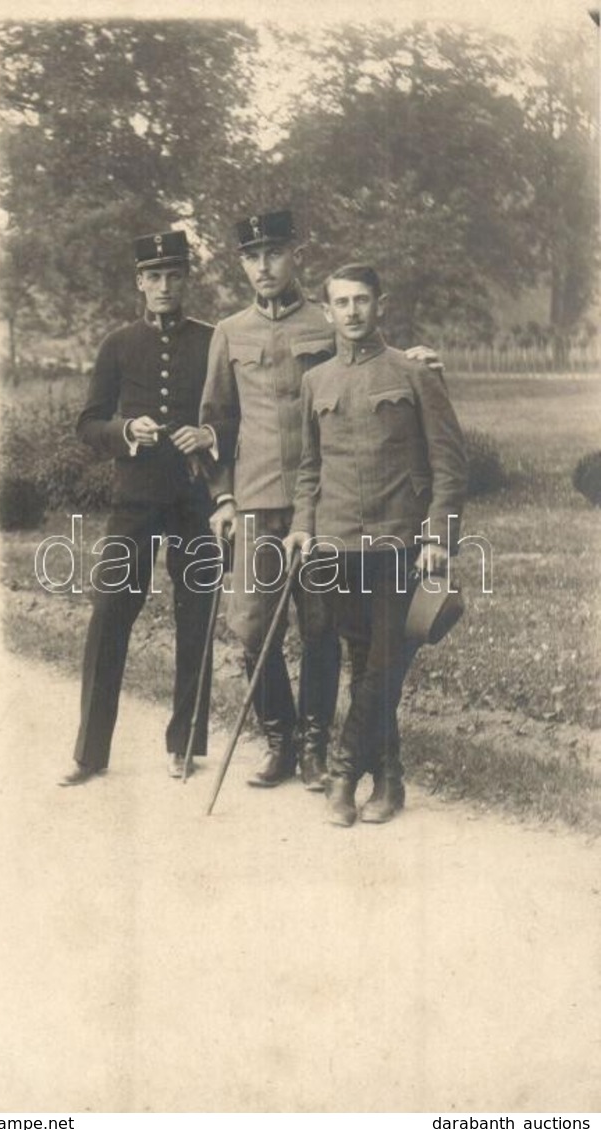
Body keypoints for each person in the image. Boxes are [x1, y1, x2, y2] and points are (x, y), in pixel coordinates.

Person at [201, 211, 442, 793]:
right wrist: (224, 497)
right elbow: (216, 421)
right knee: (253, 624)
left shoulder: (329, 317)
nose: (264, 266)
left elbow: (364, 374)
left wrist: (421, 363)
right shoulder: (228, 332)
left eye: (275, 253)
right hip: (259, 501)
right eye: (253, 256)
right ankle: (279, 738)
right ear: (241, 264)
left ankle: (314, 744)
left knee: (320, 627)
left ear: (293, 257)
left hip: (322, 507)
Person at [284, 263, 468, 826]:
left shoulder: (413, 374)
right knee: (366, 661)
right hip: (338, 543)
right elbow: (309, 470)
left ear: (379, 304)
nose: (352, 312)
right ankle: (389, 781)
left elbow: (449, 464)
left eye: (362, 300)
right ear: (329, 309)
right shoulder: (317, 381)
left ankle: (343, 776)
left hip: (399, 540)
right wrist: (301, 525)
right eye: (341, 303)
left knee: (384, 658)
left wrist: (438, 537)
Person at [60, 229, 224, 787]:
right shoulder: (117, 344)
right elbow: (87, 424)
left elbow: (233, 412)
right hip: (134, 503)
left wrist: (208, 433)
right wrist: (126, 429)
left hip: (195, 501)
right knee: (110, 617)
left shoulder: (212, 340)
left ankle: (186, 746)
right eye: (153, 276)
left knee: (196, 616)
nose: (163, 286)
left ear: (186, 281)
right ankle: (89, 753)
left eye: (173, 275)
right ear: (139, 282)